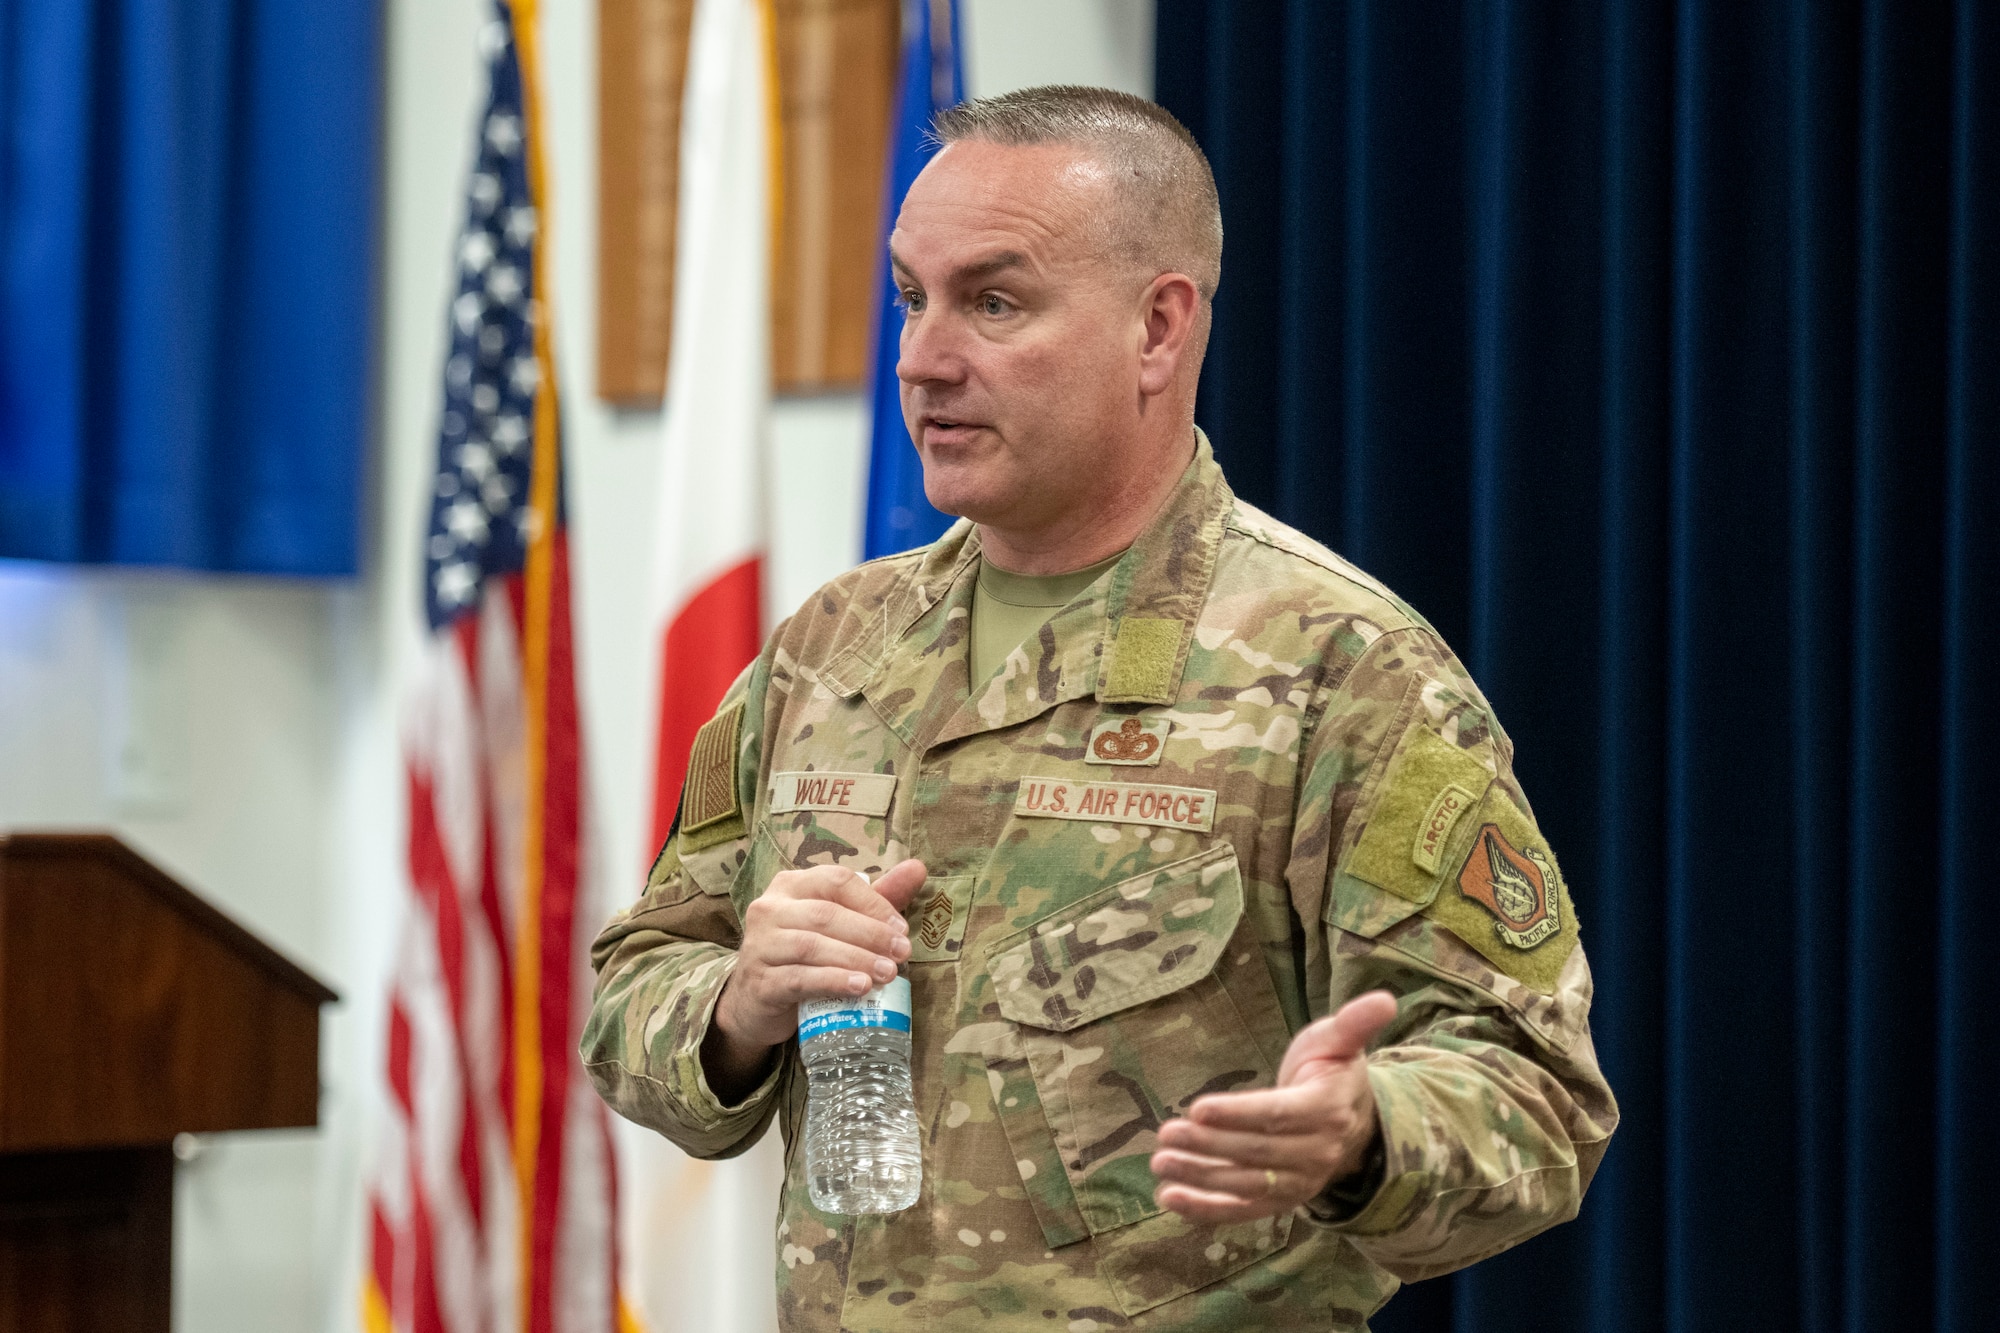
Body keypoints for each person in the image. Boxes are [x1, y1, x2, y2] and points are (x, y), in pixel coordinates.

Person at [582, 85, 1617, 1331]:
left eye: (994, 302)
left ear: (1157, 328)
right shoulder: (831, 647)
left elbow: (1538, 1103)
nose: (920, 356)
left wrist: (1360, 1129)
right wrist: (739, 1006)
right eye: (912, 297)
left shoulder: (1339, 669)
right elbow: (633, 985)